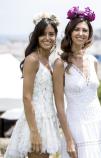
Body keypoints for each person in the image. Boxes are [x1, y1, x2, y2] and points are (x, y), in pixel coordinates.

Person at [53, 6, 101, 158]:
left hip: (98, 124)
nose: (81, 33)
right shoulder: (60, 64)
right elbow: (59, 104)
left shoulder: (93, 61)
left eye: (85, 30)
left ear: (89, 34)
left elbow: (93, 96)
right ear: (70, 32)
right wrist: (68, 138)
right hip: (75, 126)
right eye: (77, 29)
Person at [4, 12, 61, 158]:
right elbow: (26, 98)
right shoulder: (33, 59)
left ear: (56, 37)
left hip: (48, 119)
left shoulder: (49, 61)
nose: (47, 38)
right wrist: (34, 132)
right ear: (36, 36)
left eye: (51, 34)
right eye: (43, 34)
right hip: (35, 123)